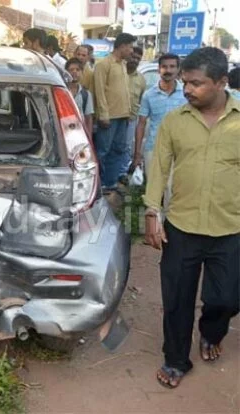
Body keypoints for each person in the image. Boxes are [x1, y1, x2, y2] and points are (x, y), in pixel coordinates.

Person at [144, 47, 240, 389]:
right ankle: (175, 359)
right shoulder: (174, 121)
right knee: (177, 300)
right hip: (182, 227)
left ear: (221, 82)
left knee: (227, 298)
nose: (187, 89)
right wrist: (152, 211)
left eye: (196, 83)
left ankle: (212, 331)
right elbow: (159, 168)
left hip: (231, 228)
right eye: (185, 82)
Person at [93, 32, 136, 189]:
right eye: (130, 47)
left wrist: (129, 111)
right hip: (109, 118)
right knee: (103, 152)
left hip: (123, 116)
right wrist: (104, 115)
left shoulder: (123, 65)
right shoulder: (103, 64)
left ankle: (110, 184)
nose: (132, 51)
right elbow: (99, 91)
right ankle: (98, 185)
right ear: (122, 46)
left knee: (118, 151)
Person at [133, 53, 186, 176]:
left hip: (179, 149)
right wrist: (137, 154)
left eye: (172, 66)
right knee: (154, 189)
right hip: (153, 148)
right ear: (159, 69)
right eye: (164, 67)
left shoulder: (186, 94)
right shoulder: (149, 95)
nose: (168, 70)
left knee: (172, 190)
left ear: (178, 69)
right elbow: (141, 124)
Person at [122, 46, 146, 176]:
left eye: (138, 58)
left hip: (131, 119)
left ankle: (123, 174)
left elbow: (141, 99)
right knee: (112, 148)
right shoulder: (119, 72)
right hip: (115, 117)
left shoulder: (141, 79)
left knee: (126, 147)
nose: (135, 60)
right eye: (133, 57)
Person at [65, 58, 94, 136]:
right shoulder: (62, 92)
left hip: (80, 133)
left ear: (82, 73)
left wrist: (89, 136)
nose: (74, 72)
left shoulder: (86, 94)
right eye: (71, 70)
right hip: (64, 132)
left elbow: (88, 118)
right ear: (66, 72)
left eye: (77, 70)